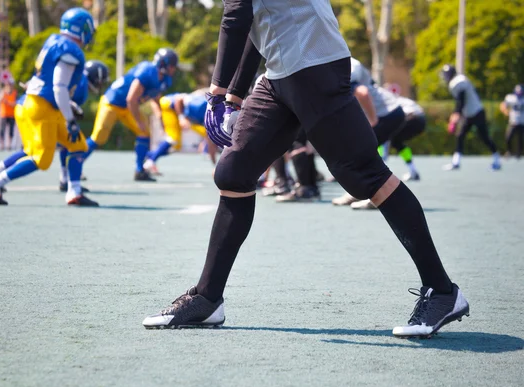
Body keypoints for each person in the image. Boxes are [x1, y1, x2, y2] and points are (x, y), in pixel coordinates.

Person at [142, 0, 469, 338]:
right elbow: (256, 21)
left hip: (314, 64)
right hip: (283, 70)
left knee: (365, 175)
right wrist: (235, 95)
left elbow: (237, 15)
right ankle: (208, 298)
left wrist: (218, 91)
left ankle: (442, 290)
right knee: (234, 172)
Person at [0, 7, 96, 206]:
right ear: (82, 29)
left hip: (42, 105)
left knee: (78, 144)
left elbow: (48, 81)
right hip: (43, 108)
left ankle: (74, 192)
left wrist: (67, 107)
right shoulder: (70, 50)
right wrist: (70, 119)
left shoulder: (53, 41)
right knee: (41, 159)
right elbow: (59, 87)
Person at [82, 49, 178, 182]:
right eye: (172, 66)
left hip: (128, 107)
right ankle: (76, 164)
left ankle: (140, 170)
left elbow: (155, 96)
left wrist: (159, 115)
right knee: (98, 137)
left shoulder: (164, 79)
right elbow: (131, 98)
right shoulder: (147, 71)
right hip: (113, 102)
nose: (174, 69)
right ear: (165, 64)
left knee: (144, 132)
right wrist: (138, 120)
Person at [332, 58, 405, 209]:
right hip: (386, 112)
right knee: (358, 153)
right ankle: (359, 192)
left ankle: (374, 195)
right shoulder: (334, 62)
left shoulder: (349, 63)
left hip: (387, 113)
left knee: (362, 154)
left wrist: (372, 120)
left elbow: (363, 93)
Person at [57, 60, 110, 192]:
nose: (101, 84)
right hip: (52, 114)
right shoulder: (82, 83)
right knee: (77, 144)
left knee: (70, 143)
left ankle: (67, 179)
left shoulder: (81, 80)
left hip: (56, 113)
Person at [441, 64, 501, 171]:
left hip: (477, 112)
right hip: (468, 114)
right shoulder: (457, 81)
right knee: (460, 136)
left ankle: (497, 159)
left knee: (484, 137)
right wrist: (458, 113)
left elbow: (461, 99)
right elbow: (461, 101)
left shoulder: (458, 82)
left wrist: (456, 114)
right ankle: (456, 162)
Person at [143, 91, 217, 175]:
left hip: (176, 111)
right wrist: (181, 118)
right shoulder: (201, 105)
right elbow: (178, 100)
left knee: (176, 146)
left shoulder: (210, 121)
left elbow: (211, 144)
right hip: (169, 105)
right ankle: (150, 162)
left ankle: (149, 156)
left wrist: (215, 165)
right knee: (173, 138)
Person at [500, 84, 524, 159]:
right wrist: (505, 111)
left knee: (521, 139)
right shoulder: (511, 98)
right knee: (508, 137)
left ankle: (519, 153)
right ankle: (509, 151)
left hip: (522, 122)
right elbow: (503, 105)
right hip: (513, 121)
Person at [0, 79, 17, 151]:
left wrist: (8, 102)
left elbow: (15, 104)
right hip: (4, 114)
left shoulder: (15, 93)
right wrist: (2, 95)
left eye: (10, 84)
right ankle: (2, 144)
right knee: (2, 130)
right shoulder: (3, 92)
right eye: (8, 84)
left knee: (11, 130)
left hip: (12, 115)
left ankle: (9, 145)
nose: (9, 86)